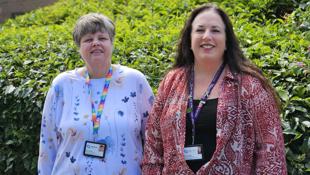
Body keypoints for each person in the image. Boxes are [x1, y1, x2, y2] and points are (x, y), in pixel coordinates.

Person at [142, 3, 287, 175]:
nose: (207, 36)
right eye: (200, 30)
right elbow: (153, 146)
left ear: (227, 41)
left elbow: (271, 152)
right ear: (189, 39)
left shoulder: (250, 86)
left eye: (215, 30)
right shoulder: (171, 82)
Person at [38, 13, 154, 175]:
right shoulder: (62, 85)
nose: (95, 43)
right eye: (88, 39)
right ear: (79, 47)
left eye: (102, 38)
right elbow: (47, 143)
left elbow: (154, 138)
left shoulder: (135, 81)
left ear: (112, 43)